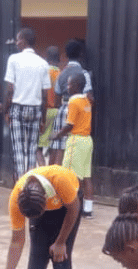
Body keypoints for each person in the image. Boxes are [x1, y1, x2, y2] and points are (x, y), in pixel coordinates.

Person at [0, 164, 82, 269]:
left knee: (61, 256)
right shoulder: (17, 198)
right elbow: (16, 241)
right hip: (38, 206)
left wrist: (61, 242)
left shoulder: (60, 179)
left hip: (67, 209)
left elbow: (74, 208)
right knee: (37, 253)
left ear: (45, 198)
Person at [3, 28, 50, 180]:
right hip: (35, 110)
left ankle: (20, 186)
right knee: (31, 151)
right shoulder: (43, 63)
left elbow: (10, 90)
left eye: (18, 40)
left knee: (18, 151)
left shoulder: (13, 59)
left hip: (17, 108)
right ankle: (29, 184)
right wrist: (43, 119)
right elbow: (44, 95)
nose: (16, 43)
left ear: (23, 40)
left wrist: (6, 111)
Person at [51, 73, 94, 218]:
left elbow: (69, 125)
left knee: (70, 176)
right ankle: (87, 209)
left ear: (77, 86)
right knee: (86, 176)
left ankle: (71, 208)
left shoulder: (73, 102)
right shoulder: (87, 100)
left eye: (69, 84)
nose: (67, 87)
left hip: (76, 141)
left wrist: (57, 135)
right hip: (87, 141)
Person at [49, 38, 93, 168]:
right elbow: (89, 97)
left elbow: (56, 100)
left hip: (63, 110)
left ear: (66, 55)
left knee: (59, 149)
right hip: (79, 112)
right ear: (81, 54)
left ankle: (56, 176)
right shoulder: (84, 74)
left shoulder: (61, 74)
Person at [36, 46, 62, 167]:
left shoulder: (44, 72)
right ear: (59, 58)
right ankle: (50, 171)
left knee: (37, 146)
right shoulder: (61, 73)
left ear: (46, 57)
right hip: (58, 112)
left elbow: (42, 94)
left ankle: (42, 170)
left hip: (45, 111)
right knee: (53, 145)